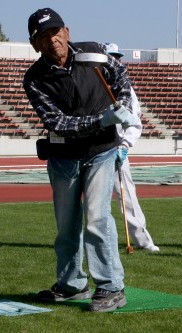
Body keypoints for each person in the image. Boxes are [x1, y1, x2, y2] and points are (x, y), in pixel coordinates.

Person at [23, 8, 135, 312]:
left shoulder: (95, 53)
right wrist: (103, 119)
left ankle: (111, 286)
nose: (52, 40)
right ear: (35, 45)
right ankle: (72, 285)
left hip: (101, 150)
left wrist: (122, 103)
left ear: (67, 32)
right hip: (63, 156)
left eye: (56, 32)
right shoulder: (34, 79)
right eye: (43, 37)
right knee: (67, 226)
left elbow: (120, 75)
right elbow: (59, 123)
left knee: (98, 218)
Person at [104, 42, 159, 252]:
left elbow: (135, 121)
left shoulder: (127, 88)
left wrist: (125, 145)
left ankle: (144, 241)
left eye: (116, 57)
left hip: (118, 148)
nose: (114, 62)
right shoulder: (92, 85)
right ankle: (94, 241)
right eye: (110, 58)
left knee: (127, 195)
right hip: (94, 149)